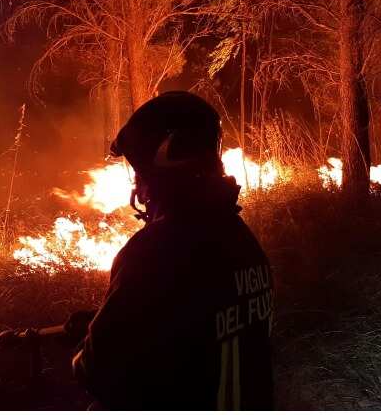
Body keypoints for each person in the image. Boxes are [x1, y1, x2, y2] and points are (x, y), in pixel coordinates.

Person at [67, 91, 274, 410]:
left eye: (140, 171)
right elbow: (195, 320)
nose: (138, 184)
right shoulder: (242, 240)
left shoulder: (152, 251)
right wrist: (103, 321)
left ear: (165, 161)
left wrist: (89, 344)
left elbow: (98, 373)